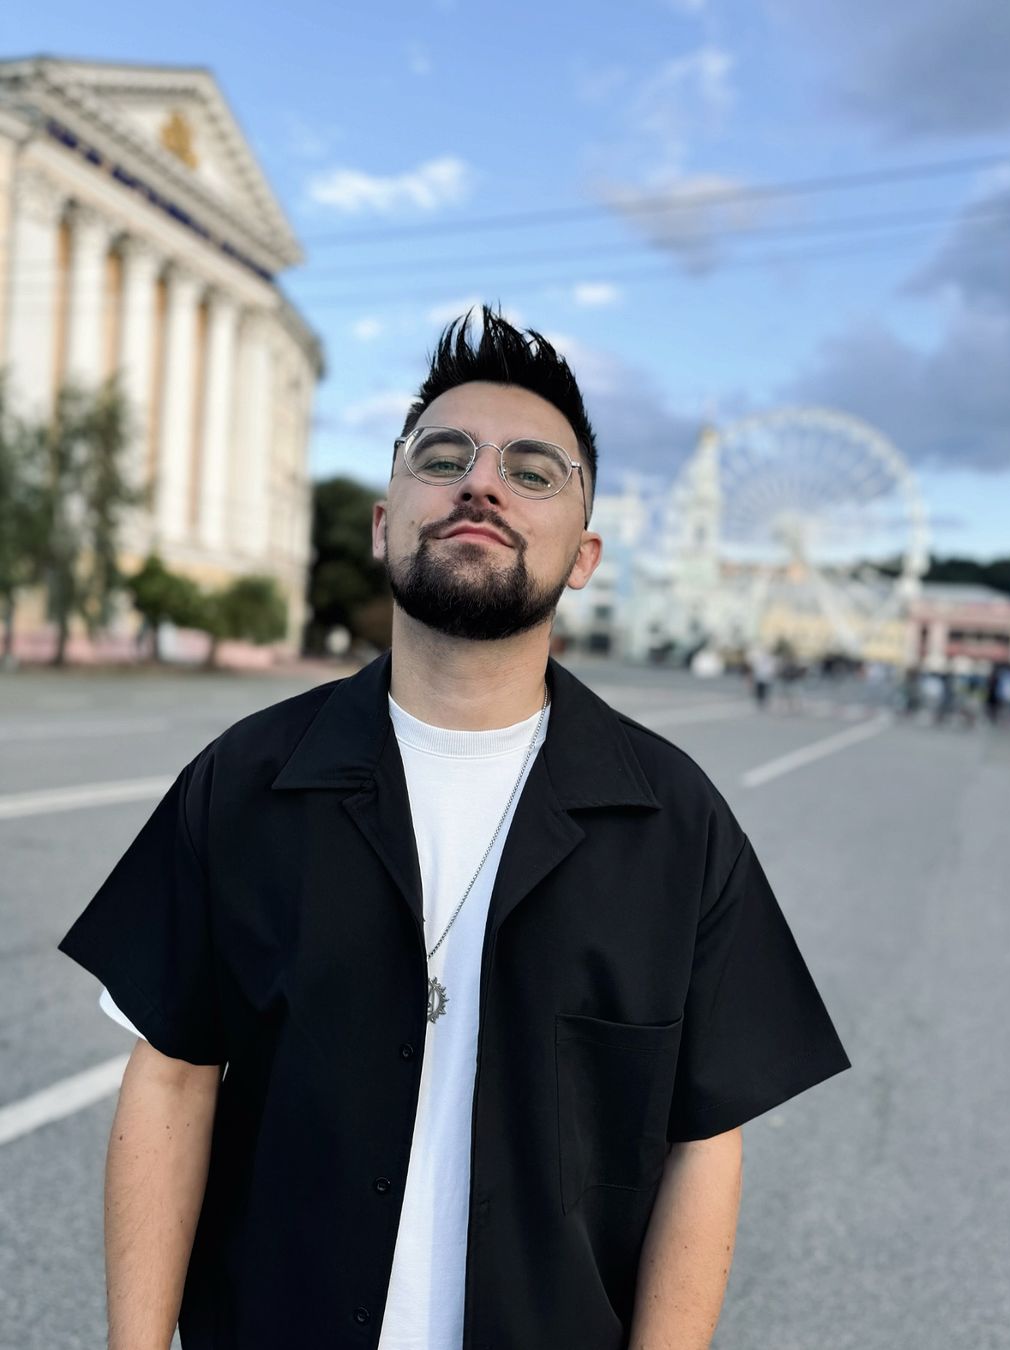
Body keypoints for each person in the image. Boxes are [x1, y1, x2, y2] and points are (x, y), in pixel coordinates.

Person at [57, 307, 851, 1350]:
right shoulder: (243, 781)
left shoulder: (677, 826)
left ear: (584, 555)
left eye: (533, 471)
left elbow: (701, 1144)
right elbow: (170, 1078)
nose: (481, 483)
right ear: (383, 522)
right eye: (443, 457)